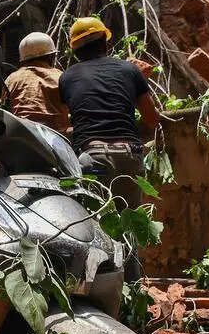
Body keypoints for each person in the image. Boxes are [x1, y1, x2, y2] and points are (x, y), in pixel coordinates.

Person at [59, 17, 159, 209]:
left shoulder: (66, 77)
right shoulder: (130, 69)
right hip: (130, 155)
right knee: (130, 228)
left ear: (75, 51)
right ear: (105, 42)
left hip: (93, 156)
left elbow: (63, 126)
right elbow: (152, 119)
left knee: (97, 224)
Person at [3, 32, 69, 133]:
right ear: (50, 56)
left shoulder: (11, 79)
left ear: (23, 59)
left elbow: (4, 111)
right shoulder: (60, 76)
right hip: (55, 136)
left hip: (21, 134)